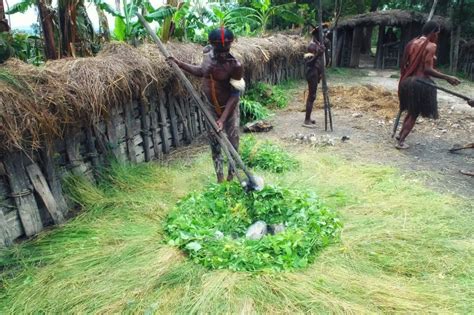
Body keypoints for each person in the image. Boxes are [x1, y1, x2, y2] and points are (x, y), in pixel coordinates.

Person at [168, 27, 244, 183]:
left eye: (227, 48)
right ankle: (220, 178)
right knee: (215, 143)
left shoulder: (235, 65)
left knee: (232, 143)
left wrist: (222, 119)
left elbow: (235, 95)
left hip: (228, 110)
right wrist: (179, 64)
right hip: (209, 108)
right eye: (219, 49)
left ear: (231, 44)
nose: (223, 53)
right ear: (211, 44)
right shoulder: (207, 56)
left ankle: (231, 176)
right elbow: (201, 72)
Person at [396, 21, 461, 149]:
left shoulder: (412, 42)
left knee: (411, 110)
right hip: (419, 83)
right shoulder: (431, 46)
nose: (437, 37)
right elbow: (427, 70)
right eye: (437, 34)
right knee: (414, 114)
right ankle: (401, 141)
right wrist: (447, 77)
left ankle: (400, 134)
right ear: (432, 33)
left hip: (406, 81)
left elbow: (406, 63)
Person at [302, 28, 325, 128]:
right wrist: (318, 55)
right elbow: (308, 63)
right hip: (312, 73)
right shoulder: (311, 46)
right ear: (316, 35)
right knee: (312, 96)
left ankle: (308, 118)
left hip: (316, 73)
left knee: (313, 96)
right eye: (321, 34)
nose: (323, 35)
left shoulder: (318, 45)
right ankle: (306, 120)